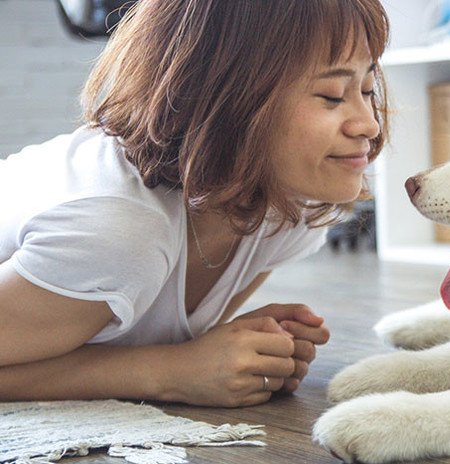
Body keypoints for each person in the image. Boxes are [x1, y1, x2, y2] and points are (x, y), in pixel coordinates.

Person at [0, 0, 389, 408]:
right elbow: (167, 361)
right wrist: (167, 372)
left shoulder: (288, 209)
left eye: (366, 89)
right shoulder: (118, 230)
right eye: (331, 95)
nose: (369, 124)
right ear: (224, 98)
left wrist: (240, 348)